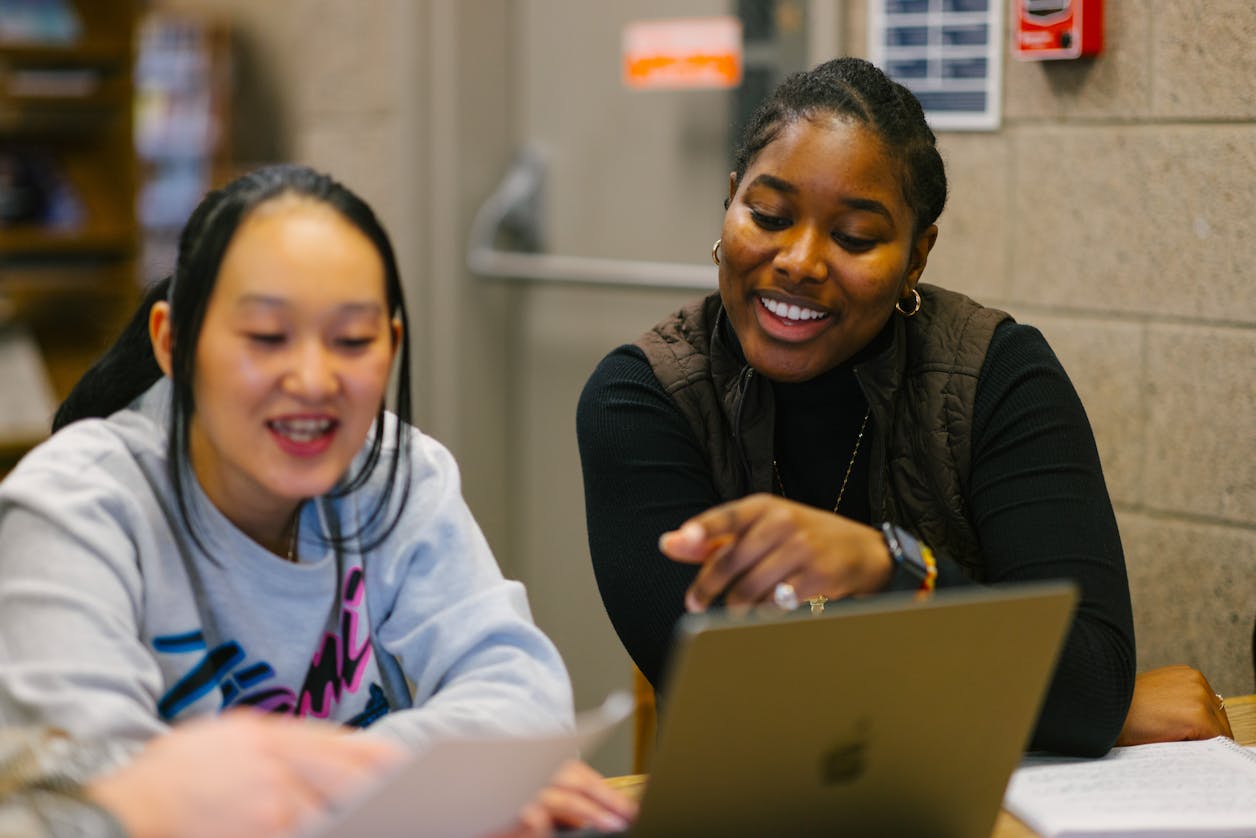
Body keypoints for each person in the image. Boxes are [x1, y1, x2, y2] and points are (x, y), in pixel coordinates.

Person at [576, 57, 1224, 758]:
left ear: (917, 257)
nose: (799, 260)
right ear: (730, 203)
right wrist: (1057, 705)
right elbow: (741, 706)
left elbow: (1089, 681)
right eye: (768, 215)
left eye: (855, 237)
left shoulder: (999, 377)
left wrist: (892, 569)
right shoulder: (642, 400)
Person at [0, 164, 633, 834]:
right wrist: (433, 782)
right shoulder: (73, 505)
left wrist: (303, 780)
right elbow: (90, 798)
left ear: (390, 346)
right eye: (267, 338)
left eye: (352, 341)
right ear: (172, 343)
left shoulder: (398, 471)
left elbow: (522, 696)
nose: (312, 379)